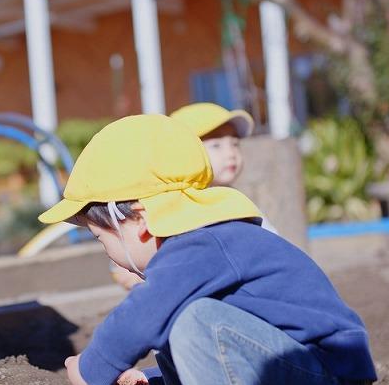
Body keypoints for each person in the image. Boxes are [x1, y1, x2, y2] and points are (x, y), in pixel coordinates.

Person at [39, 114, 376, 385]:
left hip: (329, 382)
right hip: (303, 375)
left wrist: (90, 368)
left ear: (140, 219)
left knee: (192, 320)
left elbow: (143, 313)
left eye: (102, 238)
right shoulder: (199, 247)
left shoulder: (201, 243)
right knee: (179, 320)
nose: (107, 252)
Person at [111, 102, 275, 290]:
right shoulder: (173, 206)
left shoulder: (237, 203)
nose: (231, 153)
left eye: (235, 144)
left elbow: (271, 243)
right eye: (216, 145)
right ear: (180, 152)